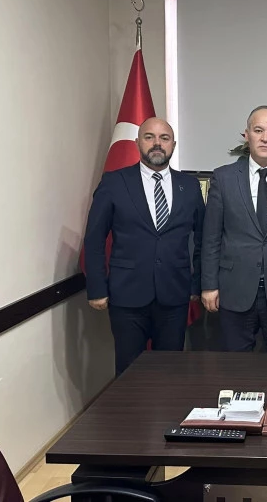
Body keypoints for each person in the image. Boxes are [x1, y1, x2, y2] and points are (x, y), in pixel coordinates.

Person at [83, 117, 204, 375]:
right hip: (127, 296)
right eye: (149, 137)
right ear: (138, 142)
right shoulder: (114, 183)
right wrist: (96, 288)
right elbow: (94, 239)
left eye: (164, 138)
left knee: (170, 371)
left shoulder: (190, 186)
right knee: (129, 373)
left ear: (173, 145)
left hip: (174, 295)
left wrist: (196, 285)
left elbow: (203, 238)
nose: (157, 143)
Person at [201, 106, 267, 352]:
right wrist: (209, 285)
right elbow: (211, 237)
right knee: (236, 366)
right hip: (234, 289)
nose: (265, 138)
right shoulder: (224, 178)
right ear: (246, 134)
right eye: (258, 130)